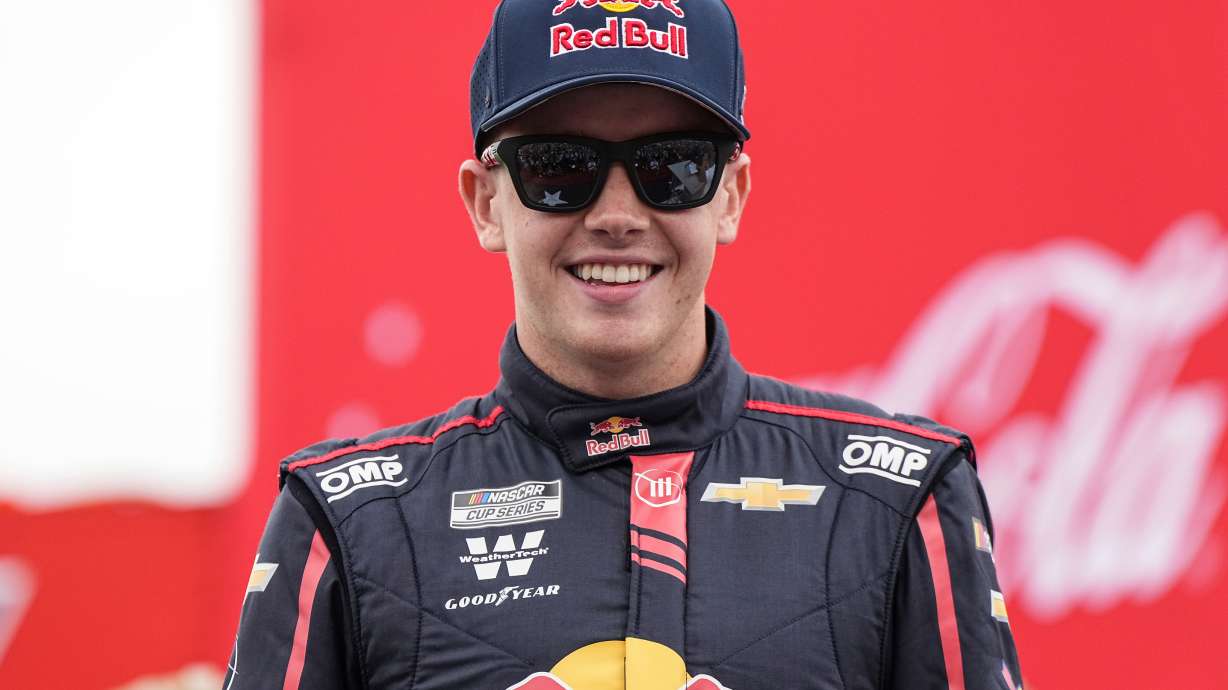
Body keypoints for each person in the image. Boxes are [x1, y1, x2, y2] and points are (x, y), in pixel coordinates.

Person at [223, 1, 1024, 688]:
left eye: (671, 166)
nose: (615, 215)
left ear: (731, 196)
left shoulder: (902, 500)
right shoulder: (345, 522)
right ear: (486, 203)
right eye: (559, 168)